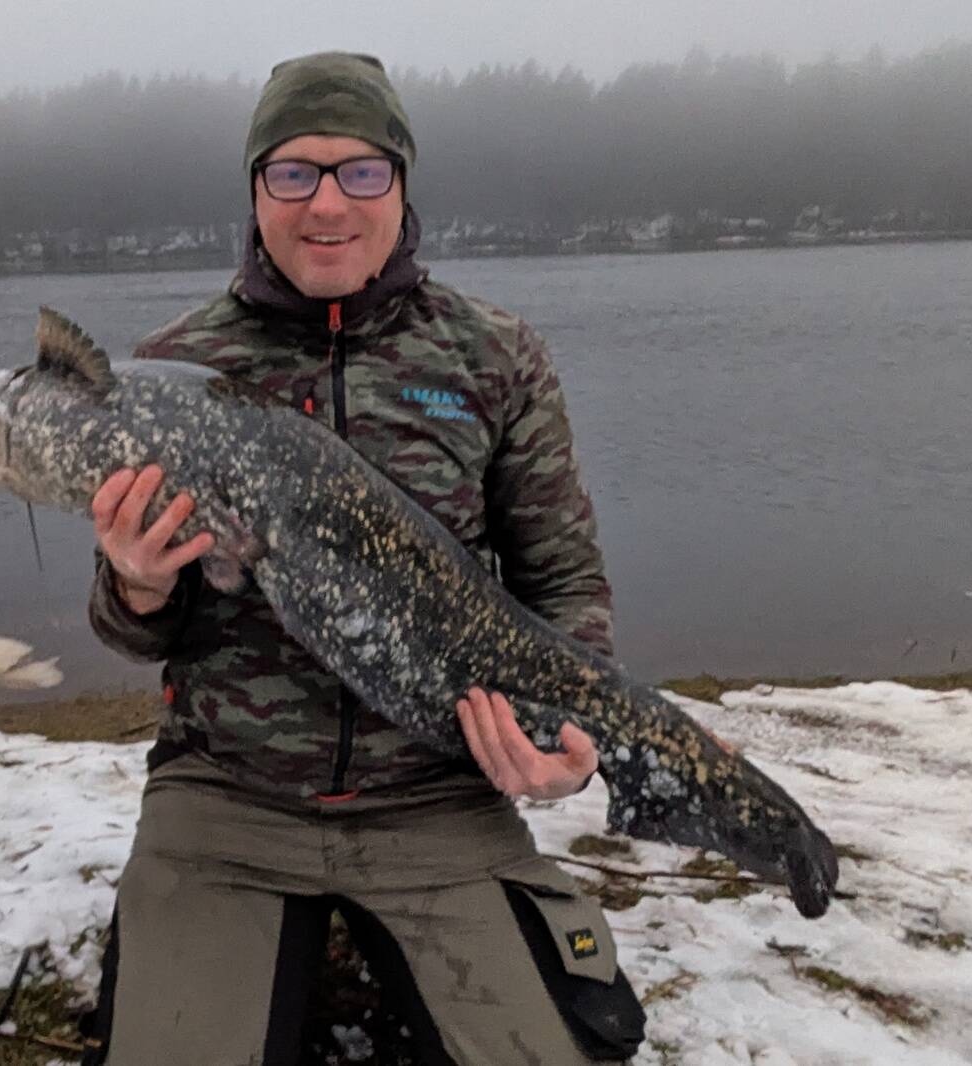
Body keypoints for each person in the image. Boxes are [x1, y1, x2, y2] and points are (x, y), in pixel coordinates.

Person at [81, 52, 646, 1065]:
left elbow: (559, 581)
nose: (326, 203)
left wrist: (561, 731)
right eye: (292, 172)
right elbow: (133, 626)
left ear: (400, 183)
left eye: (361, 171)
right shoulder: (172, 369)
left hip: (439, 795)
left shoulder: (493, 357)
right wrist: (135, 581)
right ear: (256, 192)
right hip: (227, 794)